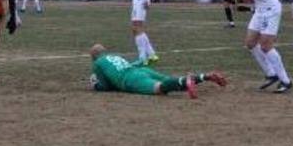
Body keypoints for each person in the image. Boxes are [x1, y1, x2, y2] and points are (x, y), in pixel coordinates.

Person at [232, 0, 292, 93]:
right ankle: (271, 74)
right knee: (251, 43)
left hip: (270, 9)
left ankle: (285, 81)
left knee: (265, 46)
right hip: (260, 9)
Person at [88, 44, 227, 99]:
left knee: (160, 88)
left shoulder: (98, 63)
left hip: (130, 79)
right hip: (141, 70)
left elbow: (104, 87)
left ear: (93, 57)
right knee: (169, 81)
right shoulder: (113, 56)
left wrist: (96, 85)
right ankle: (205, 76)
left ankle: (188, 80)